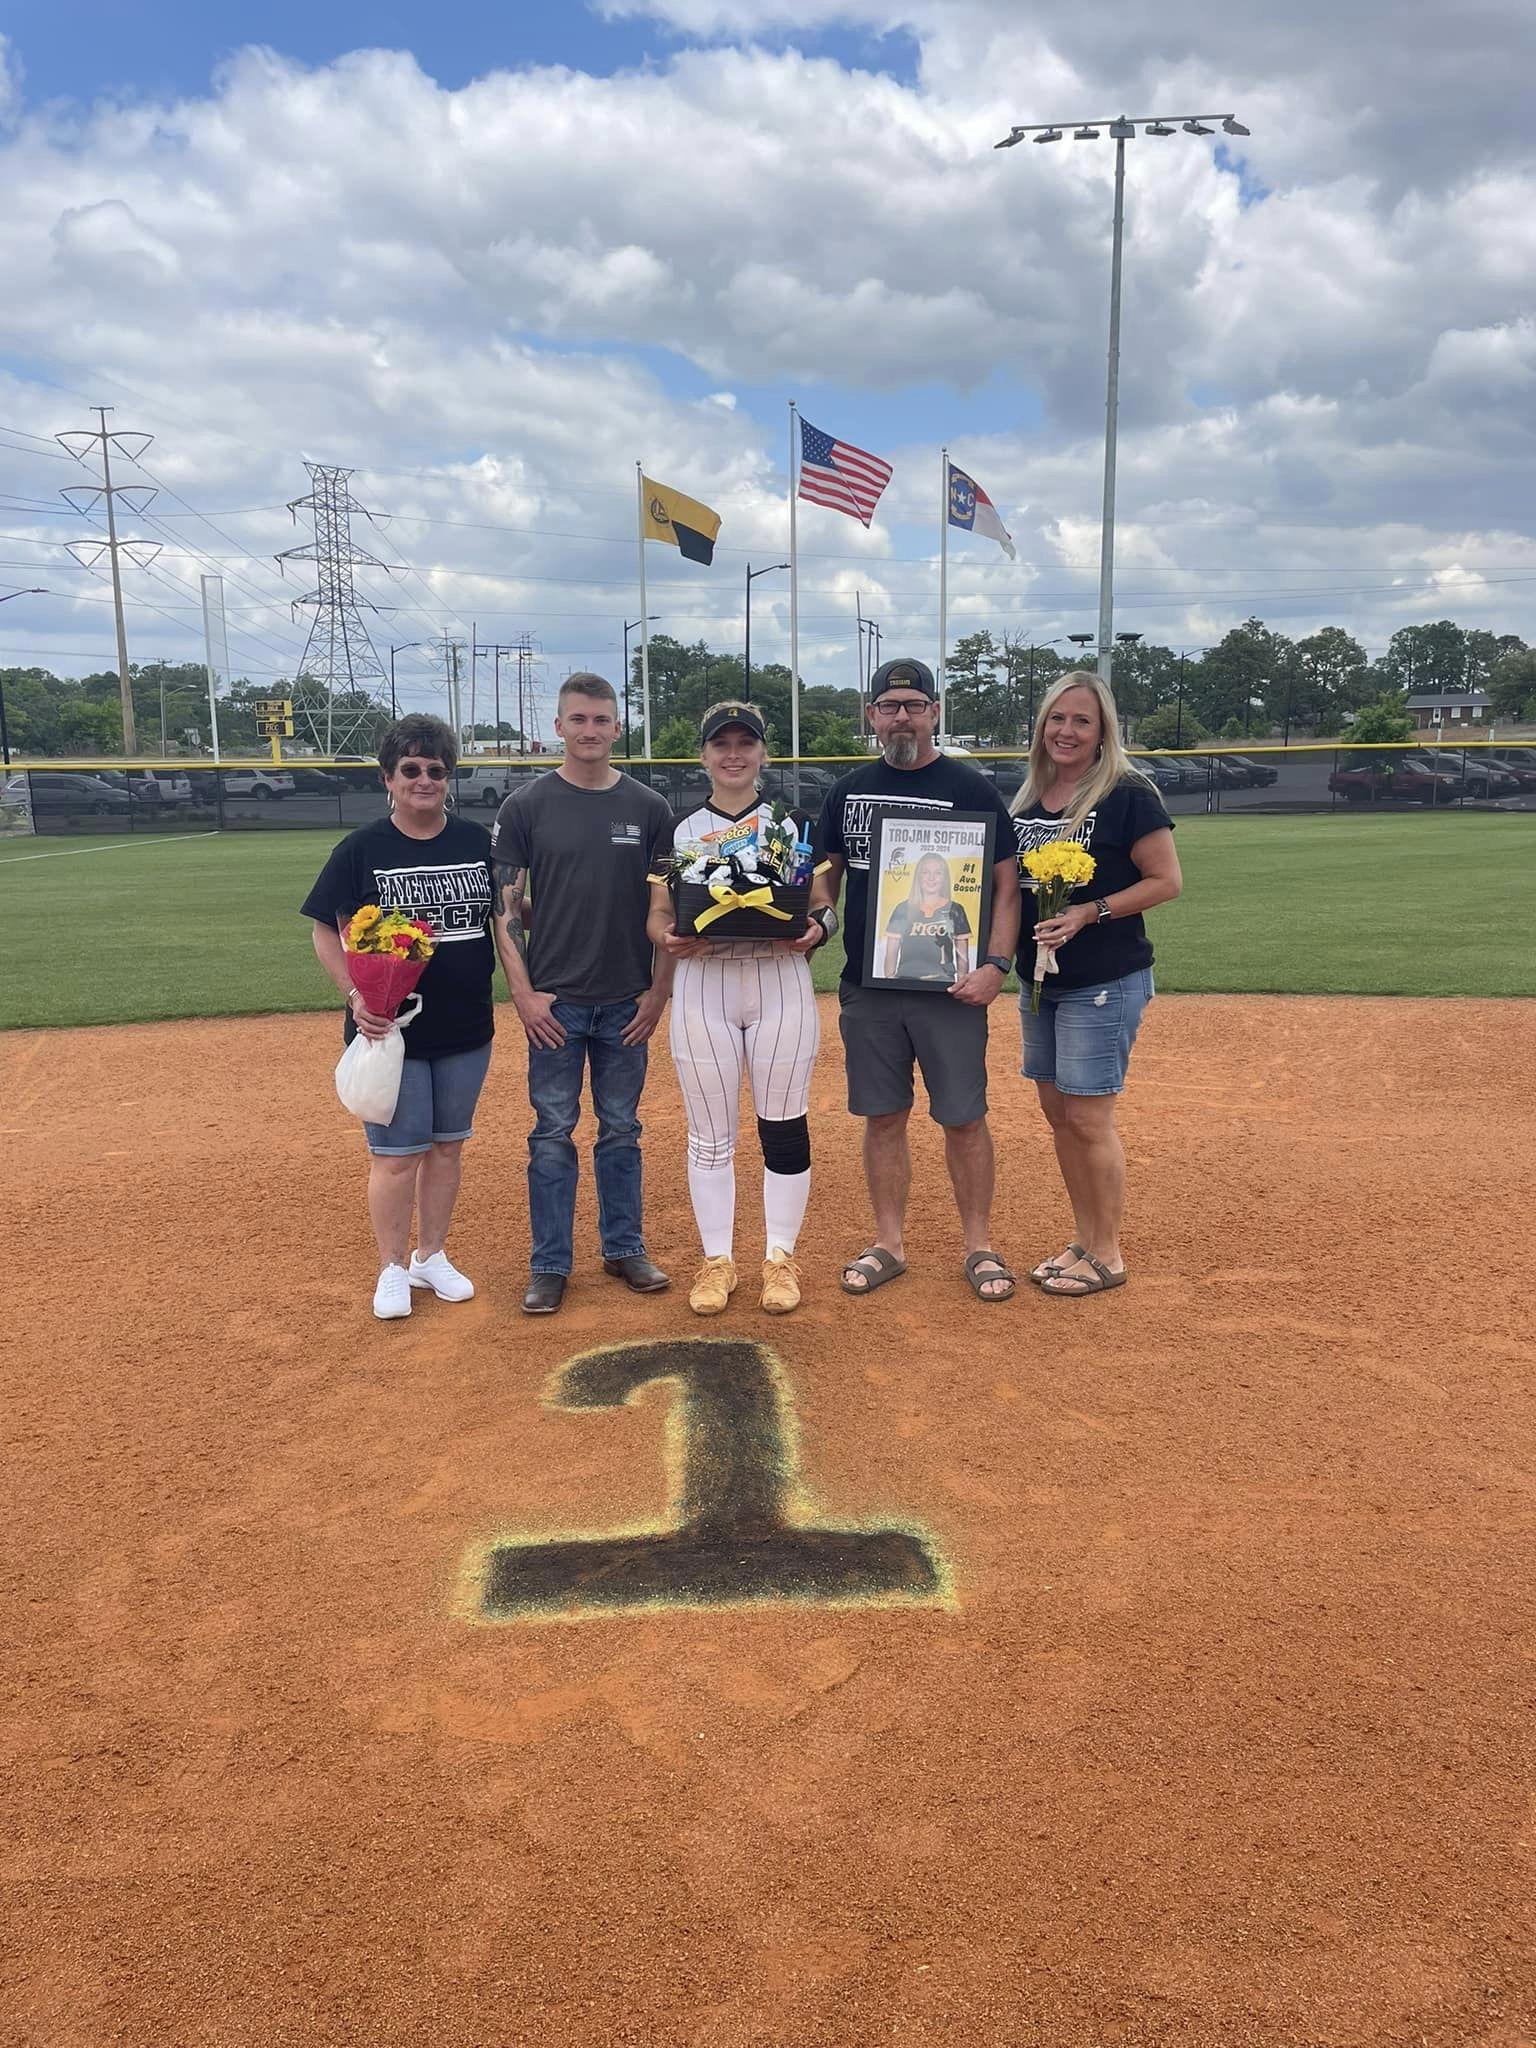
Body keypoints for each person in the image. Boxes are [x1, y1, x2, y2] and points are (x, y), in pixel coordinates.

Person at [811, 656, 1022, 1302]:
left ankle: (979, 1245)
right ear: (871, 716)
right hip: (870, 987)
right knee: (883, 1118)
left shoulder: (971, 788)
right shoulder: (847, 791)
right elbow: (825, 876)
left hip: (950, 990)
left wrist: (996, 965)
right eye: (889, 706)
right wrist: (821, 917)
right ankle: (890, 1243)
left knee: (964, 1118)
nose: (901, 716)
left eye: (913, 705)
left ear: (933, 712)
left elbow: (1005, 887)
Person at [490, 673, 675, 1315]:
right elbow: (505, 910)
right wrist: (523, 995)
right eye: (578, 719)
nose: (589, 730)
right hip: (556, 1002)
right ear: (558, 727)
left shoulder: (650, 809)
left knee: (621, 1129)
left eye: (600, 720)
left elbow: (668, 910)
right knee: (552, 1131)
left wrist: (659, 993)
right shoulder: (526, 806)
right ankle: (550, 1264)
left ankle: (624, 1249)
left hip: (627, 999)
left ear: (617, 727)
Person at [302, 713, 496, 1321]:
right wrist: (355, 998)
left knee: (447, 1148)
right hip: (390, 1031)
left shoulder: (476, 842)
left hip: (466, 1026)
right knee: (395, 1156)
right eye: (410, 769)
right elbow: (325, 931)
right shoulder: (361, 849)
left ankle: (430, 1255)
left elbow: (508, 917)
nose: (424, 780)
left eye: (436, 770)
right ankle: (391, 1266)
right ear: (388, 778)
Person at [646, 701, 832, 1317]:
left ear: (762, 753)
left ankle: (780, 1257)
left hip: (779, 978)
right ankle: (717, 1259)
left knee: (784, 1124)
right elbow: (658, 914)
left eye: (745, 743)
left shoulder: (793, 822)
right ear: (703, 755)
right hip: (704, 980)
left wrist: (819, 929)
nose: (733, 754)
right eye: (720, 744)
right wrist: (666, 937)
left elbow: (822, 903)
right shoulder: (679, 827)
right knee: (710, 1134)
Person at [1010, 670, 1182, 1298]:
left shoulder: (1126, 794)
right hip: (1041, 981)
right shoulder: (1029, 799)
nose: (1067, 731)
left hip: (1104, 978)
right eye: (1057, 718)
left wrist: (1090, 911)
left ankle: (1107, 1252)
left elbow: (1166, 881)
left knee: (1088, 1116)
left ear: (1103, 730)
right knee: (1058, 1113)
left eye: (1082, 720)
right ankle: (1084, 1238)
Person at [881, 850, 972, 983]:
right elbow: (891, 953)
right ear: (918, 876)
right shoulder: (902, 909)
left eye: (938, 873)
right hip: (905, 981)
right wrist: (889, 982)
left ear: (945, 878)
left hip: (943, 982)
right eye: (925, 872)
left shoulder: (955, 910)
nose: (931, 878)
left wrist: (960, 985)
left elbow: (962, 957)